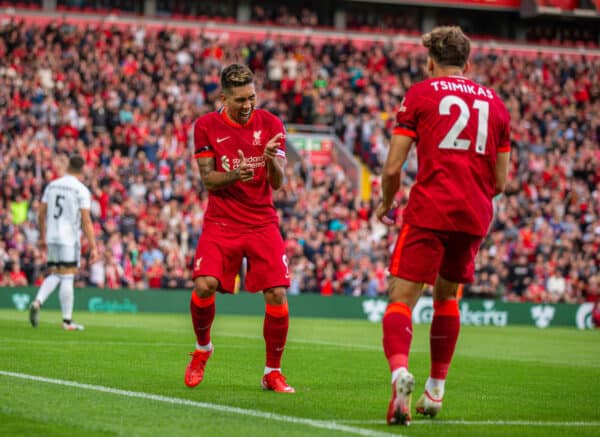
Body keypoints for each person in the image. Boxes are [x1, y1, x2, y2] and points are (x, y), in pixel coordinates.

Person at [375, 26, 510, 425]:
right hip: (474, 214)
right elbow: (500, 183)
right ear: (468, 63)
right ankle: (435, 391)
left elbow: (393, 167)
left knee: (401, 296)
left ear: (430, 62)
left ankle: (400, 374)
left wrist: (386, 202)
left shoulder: (421, 93)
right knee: (447, 295)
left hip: (432, 207)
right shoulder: (498, 105)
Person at [184, 63, 294, 393]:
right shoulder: (205, 126)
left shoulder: (272, 124)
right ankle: (203, 349)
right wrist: (237, 174)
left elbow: (278, 183)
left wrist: (272, 159)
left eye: (252, 98)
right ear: (224, 98)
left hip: (262, 220)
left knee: (277, 293)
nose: (247, 105)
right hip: (222, 220)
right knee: (204, 285)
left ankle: (272, 372)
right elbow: (208, 180)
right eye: (240, 100)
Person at [29, 155, 99, 330]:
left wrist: (42, 236)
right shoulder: (81, 189)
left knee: (56, 273)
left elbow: (41, 213)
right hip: (69, 238)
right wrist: (94, 247)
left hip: (52, 236)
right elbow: (86, 220)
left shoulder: (52, 185)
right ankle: (67, 321)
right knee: (67, 276)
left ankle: (38, 301)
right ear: (82, 170)